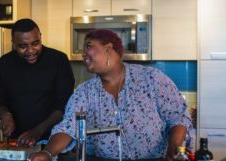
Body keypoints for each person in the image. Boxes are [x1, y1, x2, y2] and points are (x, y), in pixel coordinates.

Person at [29, 29, 192, 161]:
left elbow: (178, 117)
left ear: (108, 48)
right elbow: (68, 127)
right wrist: (48, 153)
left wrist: (174, 147)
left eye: (88, 46)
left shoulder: (151, 79)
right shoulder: (84, 92)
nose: (83, 53)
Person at [0, 19, 75, 146]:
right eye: (23, 46)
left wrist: (38, 131)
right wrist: (5, 115)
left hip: (54, 141)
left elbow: (64, 105)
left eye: (35, 43)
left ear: (40, 37)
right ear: (13, 44)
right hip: (17, 141)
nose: (30, 51)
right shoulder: (5, 63)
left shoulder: (58, 60)